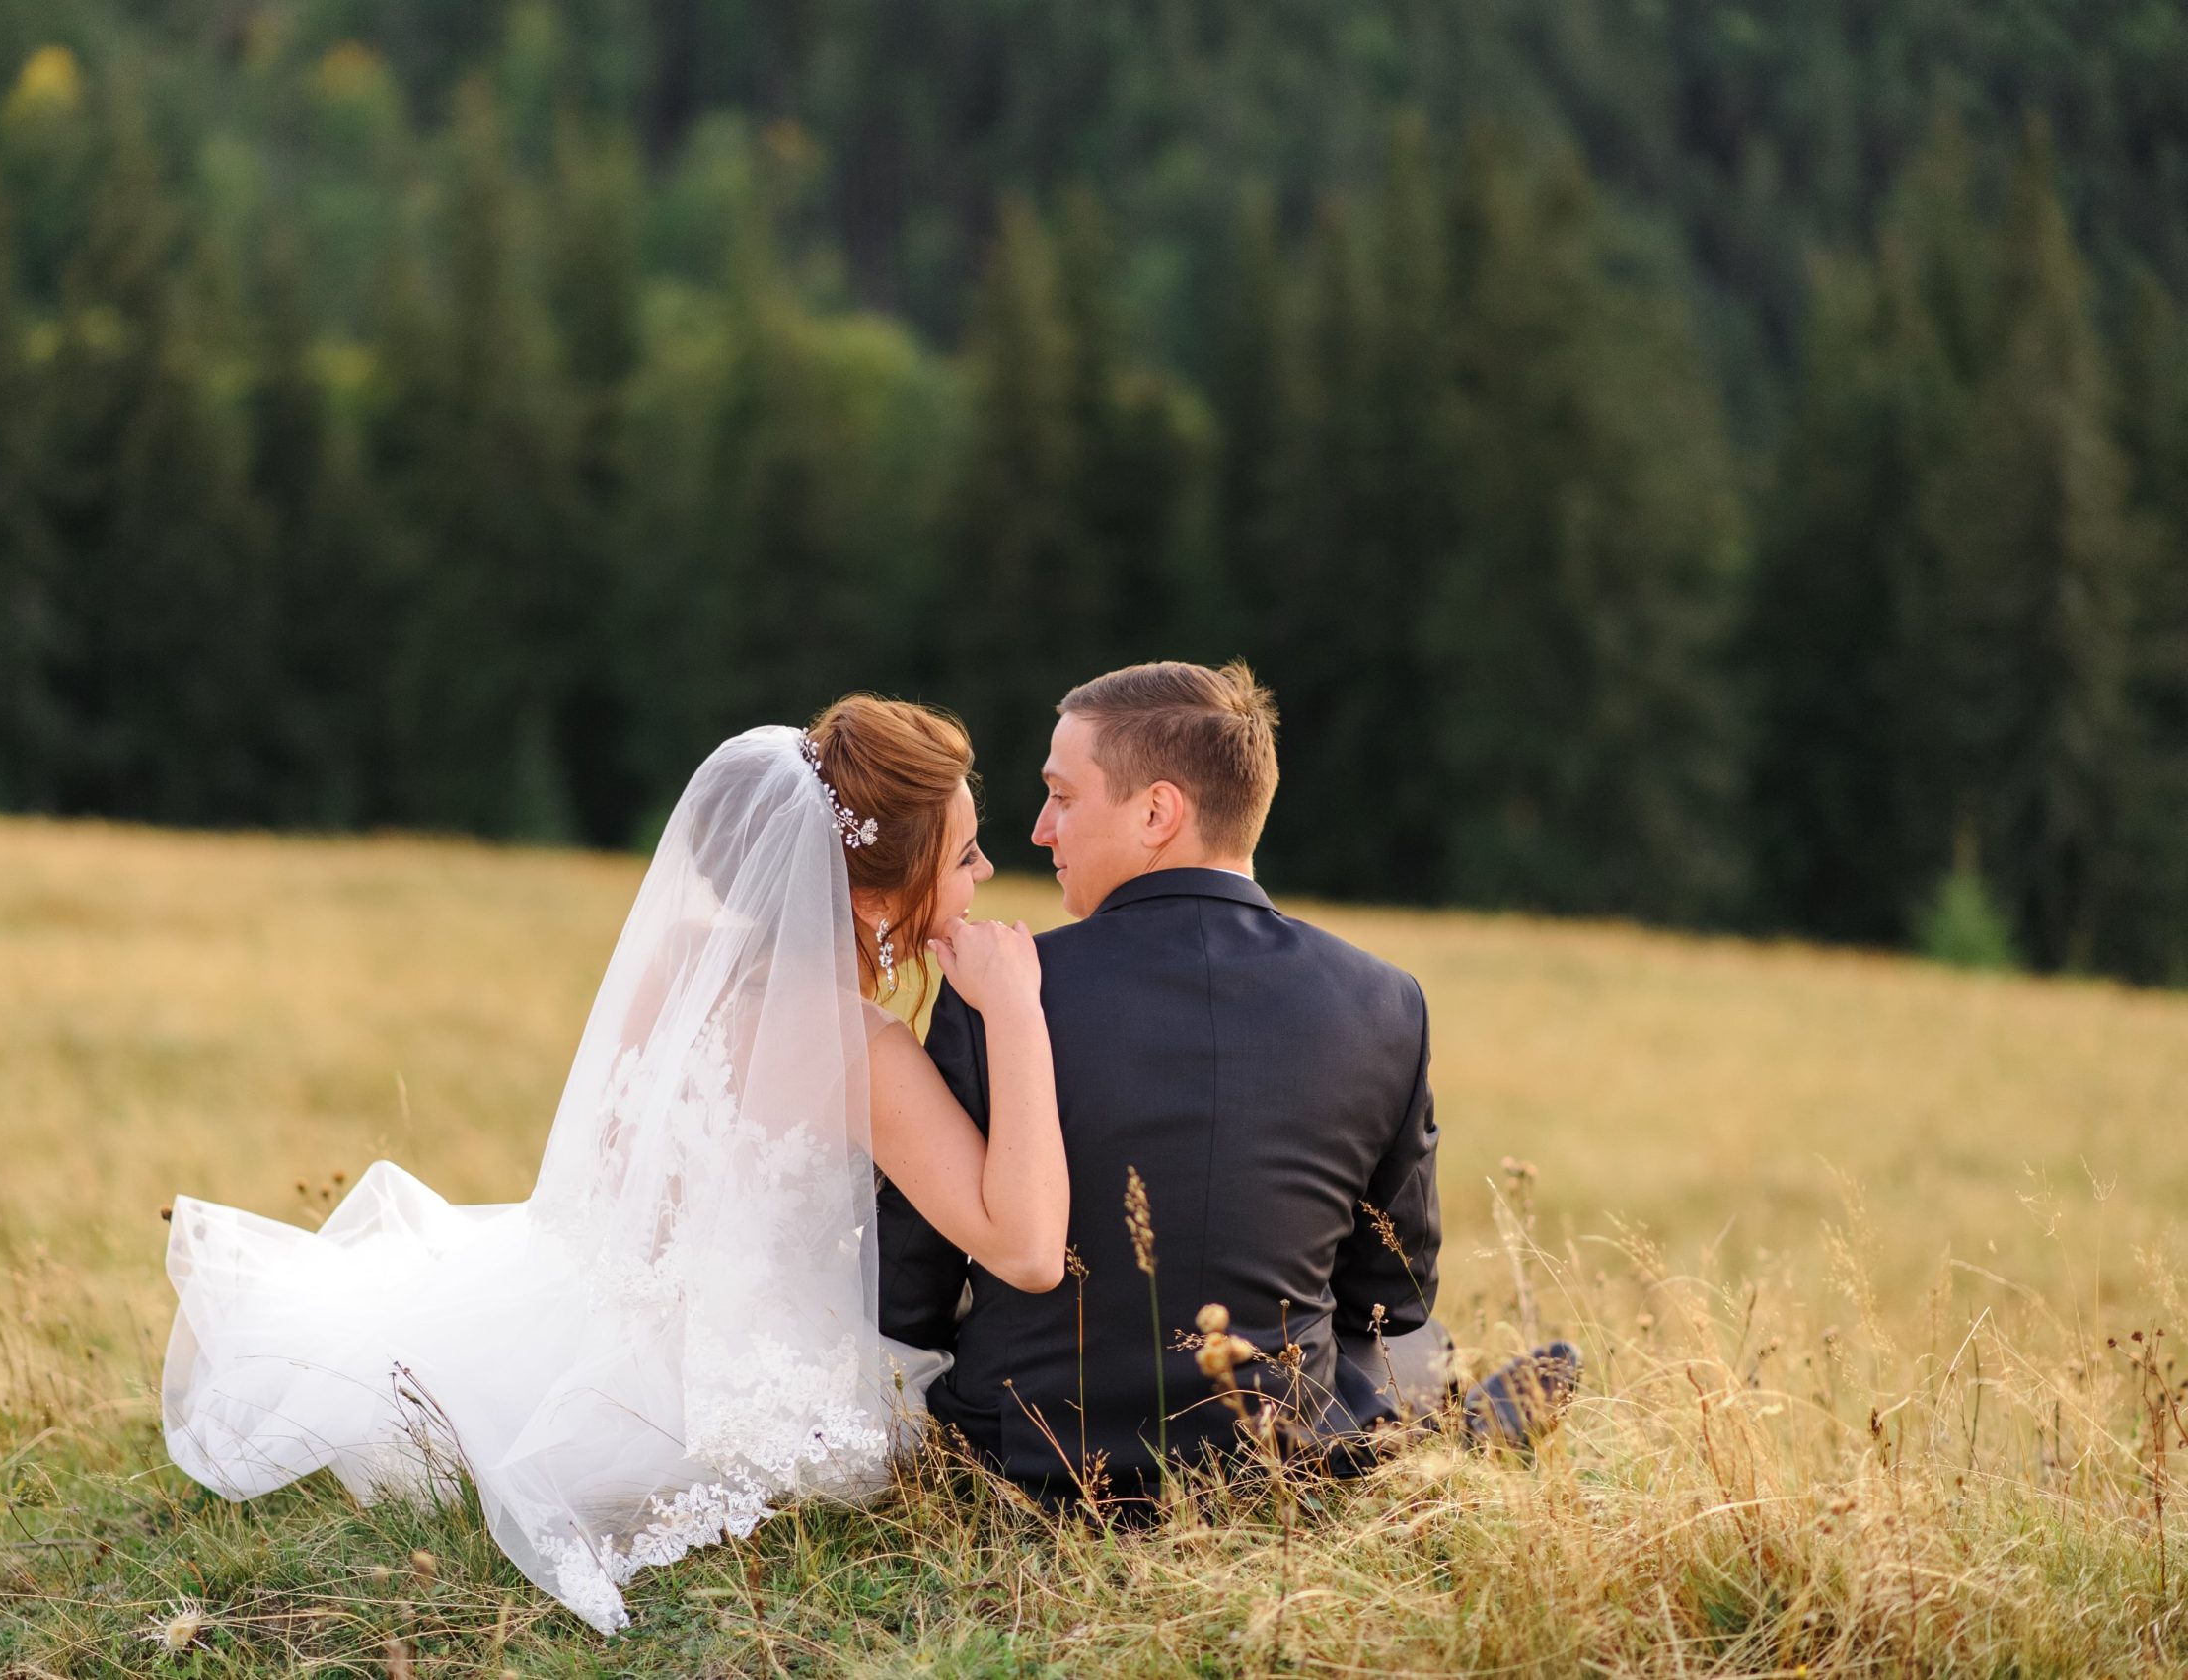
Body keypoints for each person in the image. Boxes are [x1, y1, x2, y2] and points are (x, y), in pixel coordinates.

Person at [159, 698, 1065, 1634]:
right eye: (964, 856)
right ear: (877, 899)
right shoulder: (866, 1052)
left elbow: (616, 1180)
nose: (985, 873)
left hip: (582, 1313)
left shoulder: (680, 962)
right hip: (735, 1387)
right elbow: (1031, 1251)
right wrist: (1015, 1010)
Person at [877, 660, 1576, 1506]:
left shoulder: (999, 991)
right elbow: (1393, 1297)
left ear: (1157, 813)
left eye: (1061, 796)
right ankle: (1443, 1428)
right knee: (1419, 1350)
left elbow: (906, 1296)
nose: (1039, 830)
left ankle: (1446, 1423)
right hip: (1283, 1460)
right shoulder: (1387, 1001)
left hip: (1026, 1460)